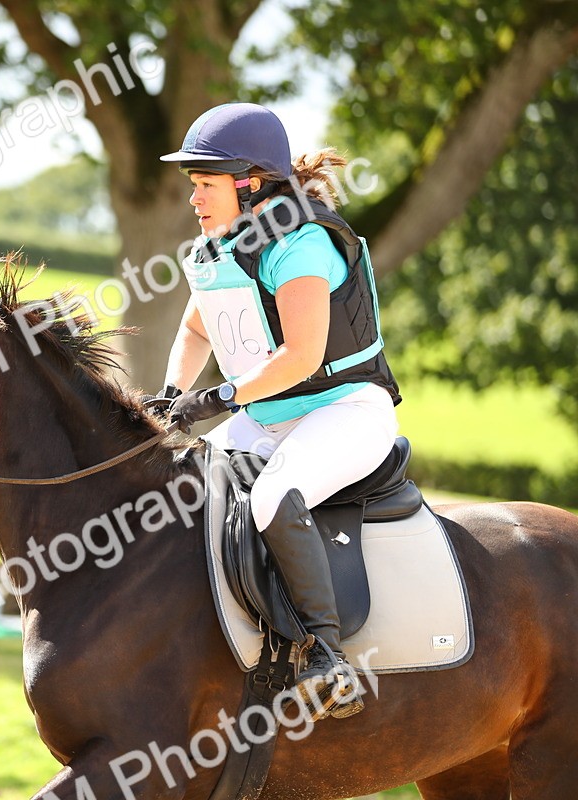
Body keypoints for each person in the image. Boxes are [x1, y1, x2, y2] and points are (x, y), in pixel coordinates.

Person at [154, 103, 401, 719]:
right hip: (271, 415)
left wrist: (216, 398)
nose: (195, 200)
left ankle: (328, 657)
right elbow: (194, 331)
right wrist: (168, 395)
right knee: (182, 489)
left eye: (205, 185)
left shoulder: (301, 246)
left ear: (251, 183)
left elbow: (300, 356)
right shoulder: (221, 249)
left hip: (347, 412)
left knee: (271, 497)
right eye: (194, 187)